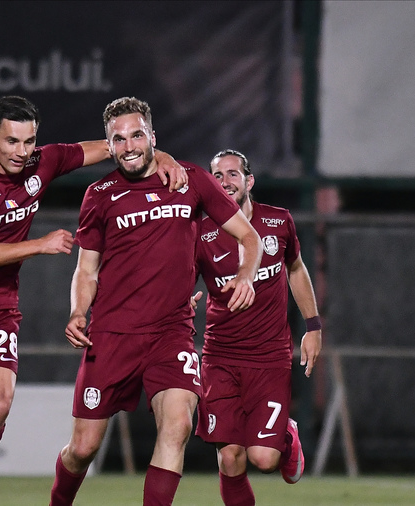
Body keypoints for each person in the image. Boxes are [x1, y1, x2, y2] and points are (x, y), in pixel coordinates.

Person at [0, 95, 187, 506]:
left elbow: (122, 145)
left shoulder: (42, 162)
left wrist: (168, 159)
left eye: (29, 141)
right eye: (11, 142)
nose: (21, 152)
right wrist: (41, 245)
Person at [49, 97, 263, 506]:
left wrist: (245, 276)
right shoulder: (99, 195)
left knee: (178, 424)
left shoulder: (192, 181)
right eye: (118, 138)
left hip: (172, 334)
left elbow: (249, 237)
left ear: (152, 137)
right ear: (109, 146)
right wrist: (78, 311)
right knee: (83, 448)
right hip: (111, 335)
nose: (129, 145)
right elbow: (86, 269)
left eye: (136, 135)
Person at [190, 149, 322, 505]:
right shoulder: (199, 231)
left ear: (249, 181)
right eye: (216, 176)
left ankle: (286, 436)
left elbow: (296, 268)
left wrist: (313, 325)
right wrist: (183, 300)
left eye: (233, 174)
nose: (225, 182)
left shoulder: (278, 221)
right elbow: (182, 280)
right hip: (220, 357)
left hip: (269, 357)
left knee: (263, 459)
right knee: (230, 457)